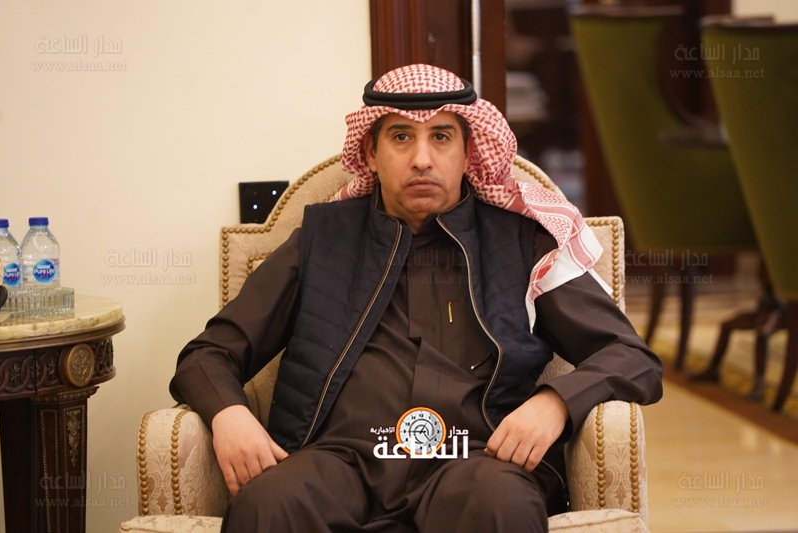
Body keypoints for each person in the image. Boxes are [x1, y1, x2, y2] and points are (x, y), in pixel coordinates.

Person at [170, 64, 663, 533]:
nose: (422, 159)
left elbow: (630, 357)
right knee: (267, 501)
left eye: (441, 137)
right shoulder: (322, 241)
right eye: (401, 137)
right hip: (338, 462)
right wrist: (229, 414)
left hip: (475, 461)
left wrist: (553, 404)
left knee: (502, 503)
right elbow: (208, 355)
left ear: (468, 153)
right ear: (370, 153)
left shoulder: (522, 246)